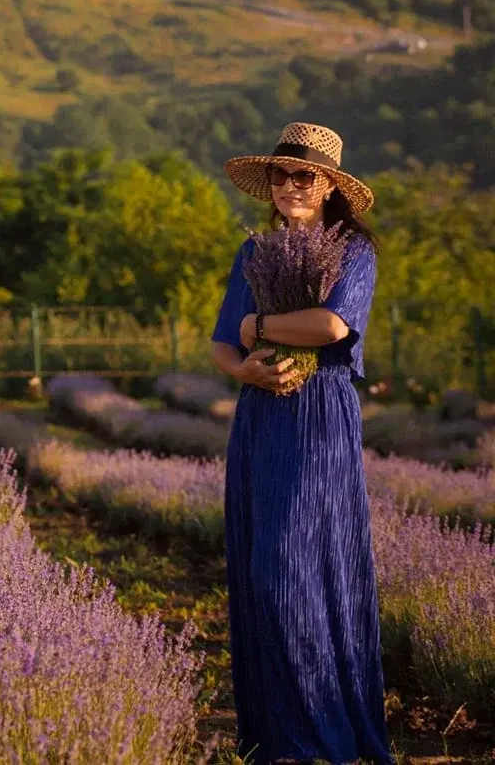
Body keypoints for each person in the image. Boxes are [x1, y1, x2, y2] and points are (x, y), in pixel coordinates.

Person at [210, 122, 393, 764]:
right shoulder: (254, 251)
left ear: (329, 187)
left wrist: (259, 324)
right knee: (261, 576)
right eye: (282, 176)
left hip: (319, 421)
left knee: (288, 568)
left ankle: (321, 732)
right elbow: (221, 344)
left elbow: (331, 326)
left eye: (305, 176)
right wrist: (247, 367)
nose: (291, 186)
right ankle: (278, 735)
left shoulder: (355, 253)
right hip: (261, 416)